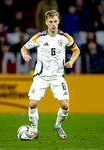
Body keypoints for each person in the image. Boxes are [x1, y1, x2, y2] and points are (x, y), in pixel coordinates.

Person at [20, 10, 80, 140]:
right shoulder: (39, 37)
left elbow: (76, 50)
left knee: (65, 106)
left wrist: (71, 61)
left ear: (58, 22)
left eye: (55, 21)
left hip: (58, 77)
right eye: (51, 22)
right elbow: (24, 48)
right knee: (32, 104)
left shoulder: (65, 37)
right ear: (46, 22)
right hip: (41, 77)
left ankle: (58, 125)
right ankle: (35, 131)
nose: (53, 24)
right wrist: (25, 54)